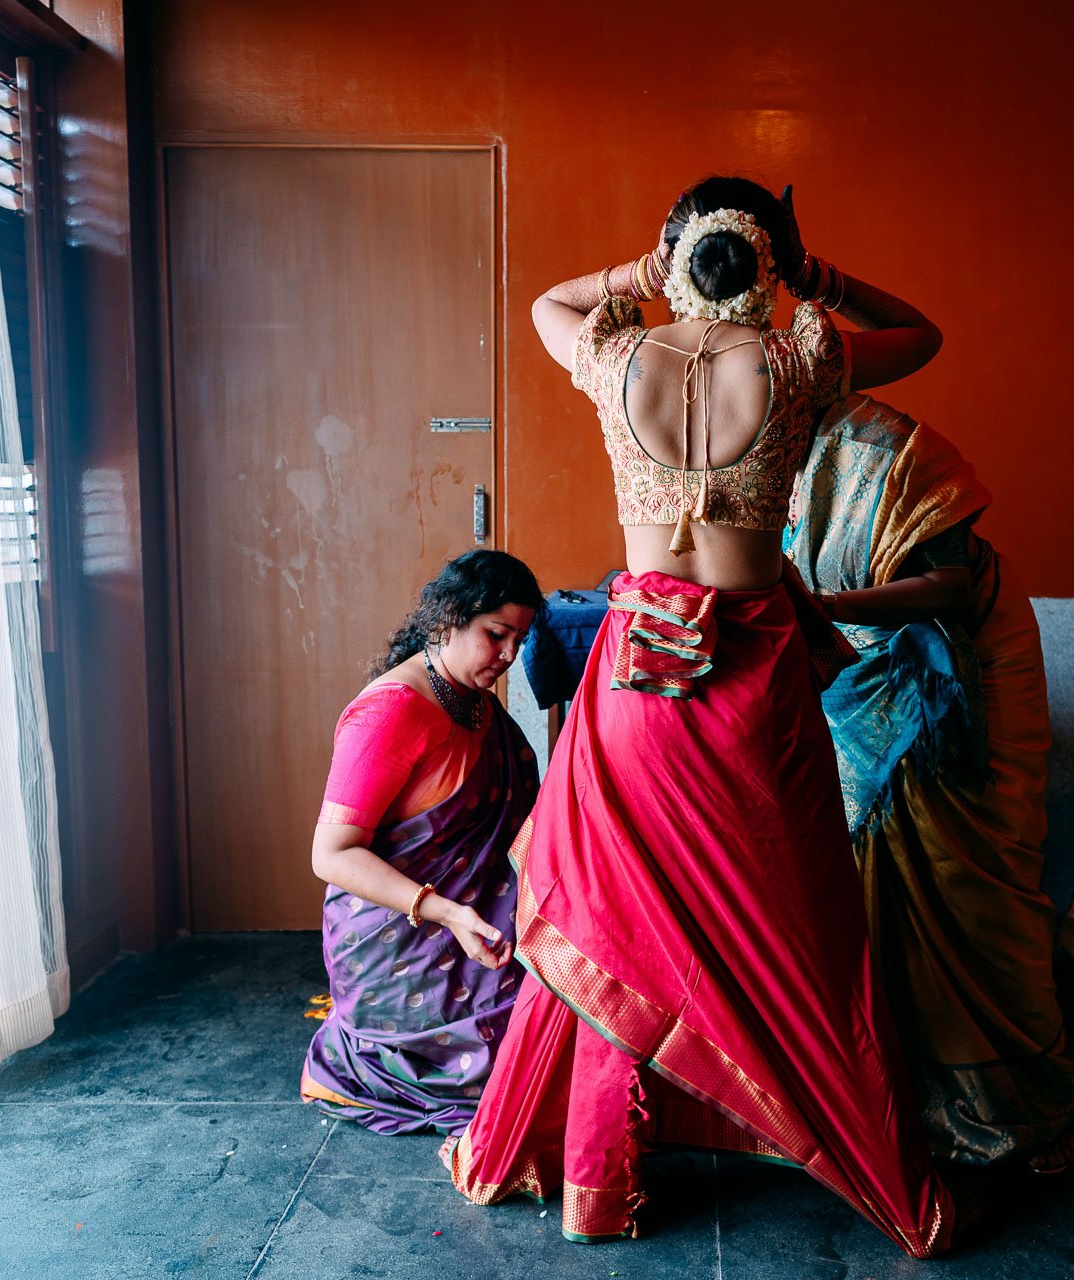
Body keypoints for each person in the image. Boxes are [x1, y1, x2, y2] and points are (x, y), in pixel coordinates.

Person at [442, 177, 956, 1258]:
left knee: (616, 919)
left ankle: (600, 1184)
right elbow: (921, 335)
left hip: (636, 681)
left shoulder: (618, 356)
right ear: (770, 258)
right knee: (800, 913)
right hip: (751, 681)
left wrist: (638, 271)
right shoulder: (800, 359)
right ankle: (833, 1139)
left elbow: (545, 303)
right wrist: (814, 277)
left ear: (676, 252)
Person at [785, 395, 1074, 1172]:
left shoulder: (900, 458)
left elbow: (949, 584)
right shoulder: (766, 456)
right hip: (864, 679)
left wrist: (826, 610)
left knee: (971, 885)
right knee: (866, 878)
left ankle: (1010, 1103)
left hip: (958, 676)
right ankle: (895, 1090)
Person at [302, 550, 545, 1135]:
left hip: (474, 919)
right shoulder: (390, 712)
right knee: (519, 1069)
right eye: (497, 634)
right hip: (400, 937)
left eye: (520, 639)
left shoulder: (470, 698)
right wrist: (448, 913)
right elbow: (329, 855)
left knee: (572, 1002)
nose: (510, 655)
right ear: (447, 620)